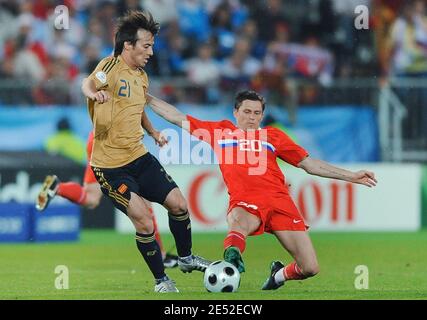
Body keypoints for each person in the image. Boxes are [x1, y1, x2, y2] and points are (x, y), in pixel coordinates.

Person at [147, 89, 377, 290]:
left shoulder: (273, 136)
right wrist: (146, 98)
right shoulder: (220, 132)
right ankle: (232, 255)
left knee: (310, 267)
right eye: (247, 112)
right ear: (235, 112)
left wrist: (352, 176)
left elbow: (310, 164)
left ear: (262, 116)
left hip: (280, 203)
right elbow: (177, 117)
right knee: (237, 219)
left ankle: (277, 275)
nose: (252, 118)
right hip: (245, 202)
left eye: (257, 113)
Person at [80, 11, 210, 293]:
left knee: (178, 204)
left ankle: (186, 258)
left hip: (138, 156)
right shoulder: (109, 66)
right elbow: (88, 83)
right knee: (143, 217)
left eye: (152, 46)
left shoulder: (141, 76)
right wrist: (94, 94)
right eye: (146, 46)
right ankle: (161, 280)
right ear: (128, 45)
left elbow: (137, 108)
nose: (151, 52)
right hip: (110, 167)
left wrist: (153, 132)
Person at [36, 131, 179, 268]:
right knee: (143, 200)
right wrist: (151, 131)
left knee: (91, 198)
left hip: (96, 139)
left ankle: (58, 187)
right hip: (114, 143)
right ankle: (160, 255)